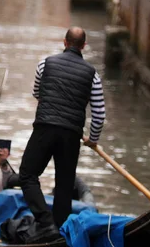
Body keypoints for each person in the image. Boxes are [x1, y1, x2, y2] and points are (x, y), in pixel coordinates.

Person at [18, 27, 106, 243]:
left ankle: (45, 221)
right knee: (65, 185)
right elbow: (99, 113)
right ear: (83, 46)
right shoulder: (92, 74)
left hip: (45, 128)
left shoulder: (45, 63)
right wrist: (92, 139)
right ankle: (59, 234)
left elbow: (36, 92)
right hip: (71, 135)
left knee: (28, 176)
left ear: (64, 42)